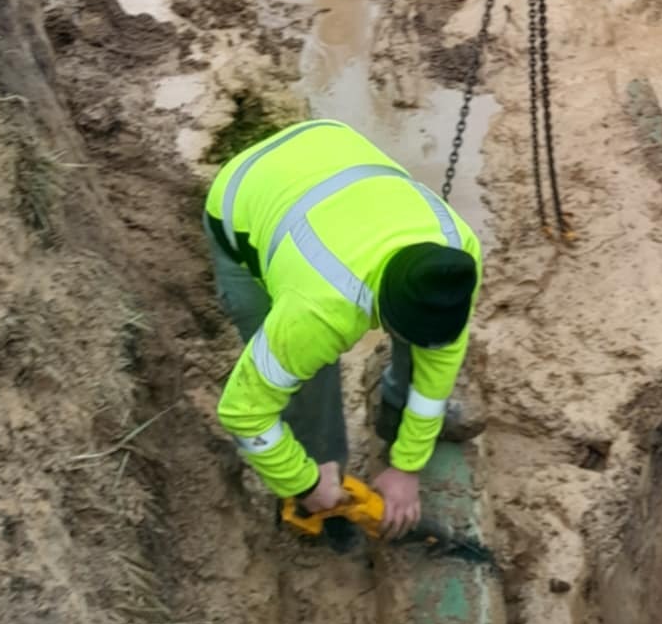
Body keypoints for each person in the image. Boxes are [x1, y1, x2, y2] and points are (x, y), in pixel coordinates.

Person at [204, 116, 482, 538]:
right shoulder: (316, 313)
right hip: (244, 197)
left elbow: (438, 366)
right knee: (307, 377)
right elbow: (244, 412)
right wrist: (302, 481)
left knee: (429, 351)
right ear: (381, 312)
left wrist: (408, 464)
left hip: (331, 149)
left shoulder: (457, 254)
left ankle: (394, 416)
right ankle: (320, 476)